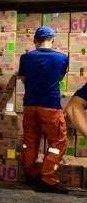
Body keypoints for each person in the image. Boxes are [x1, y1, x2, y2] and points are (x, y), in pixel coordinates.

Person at [17, 26, 69, 194]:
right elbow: (60, 78)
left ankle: (31, 174)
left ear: (35, 41)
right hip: (50, 106)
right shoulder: (62, 58)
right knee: (58, 142)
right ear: (52, 40)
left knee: (30, 141)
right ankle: (47, 179)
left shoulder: (25, 58)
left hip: (30, 105)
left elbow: (23, 79)